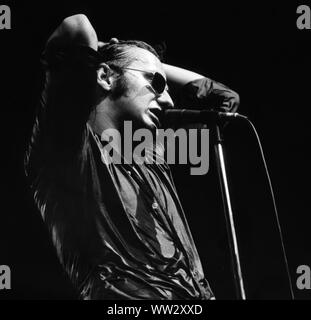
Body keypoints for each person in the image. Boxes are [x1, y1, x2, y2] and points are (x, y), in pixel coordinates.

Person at [25, 14, 239, 300]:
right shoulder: (69, 147)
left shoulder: (150, 152)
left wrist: (146, 63)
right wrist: (104, 50)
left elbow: (224, 98)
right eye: (156, 84)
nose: (169, 100)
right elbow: (77, 27)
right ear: (104, 76)